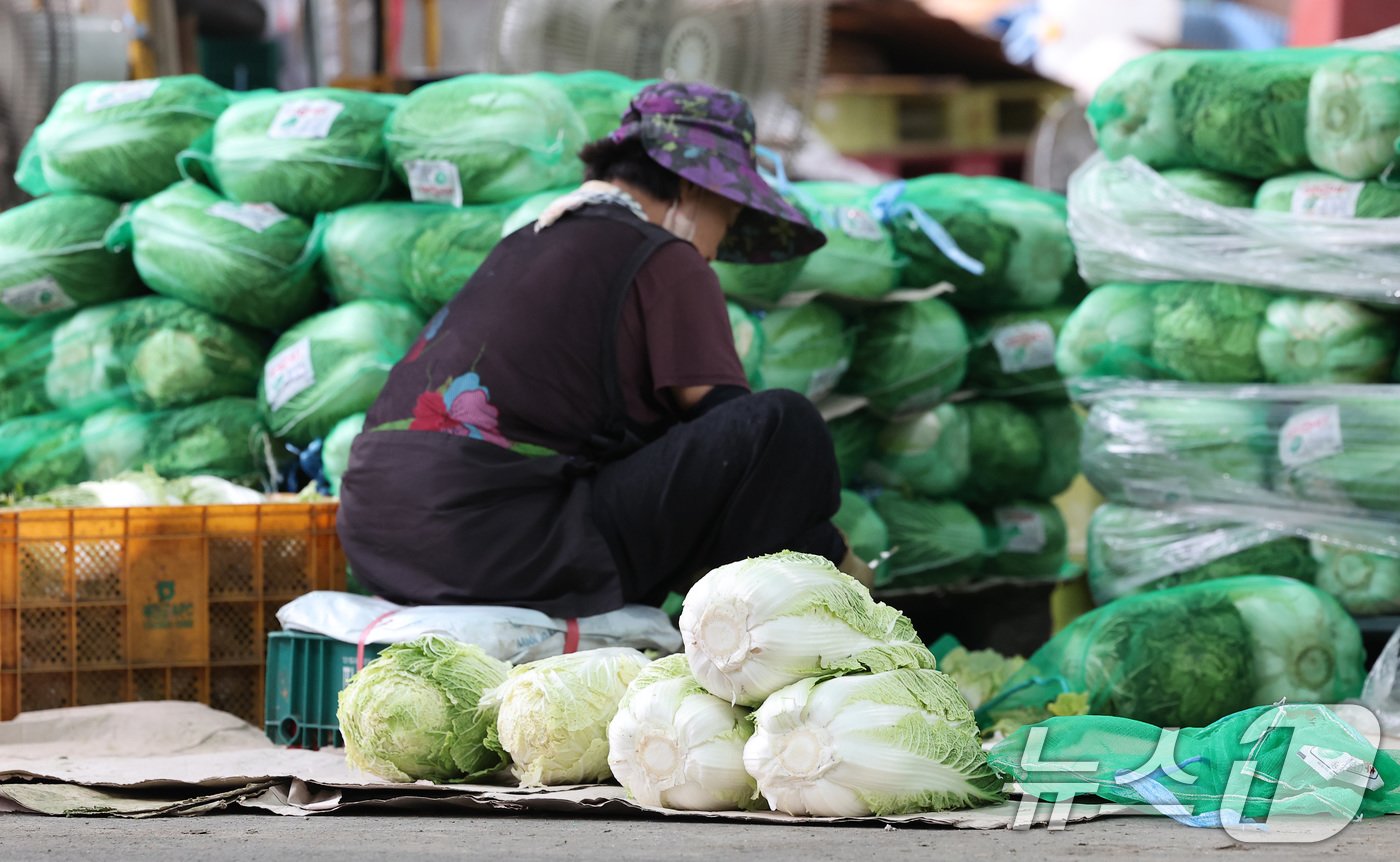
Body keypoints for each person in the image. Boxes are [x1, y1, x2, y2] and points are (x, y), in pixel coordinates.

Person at [337, 81, 872, 619]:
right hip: (492, 545)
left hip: (373, 537)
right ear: (697, 192)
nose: (711, 252)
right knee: (786, 424)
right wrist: (831, 551)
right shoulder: (666, 258)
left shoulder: (530, 238)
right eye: (725, 226)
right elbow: (746, 445)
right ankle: (820, 611)